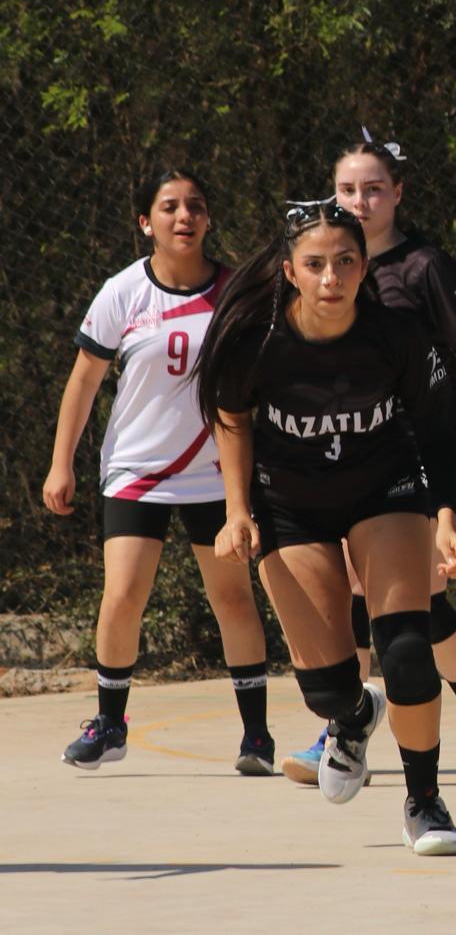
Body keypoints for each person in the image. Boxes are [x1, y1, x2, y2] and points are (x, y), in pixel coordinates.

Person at [195, 200, 456, 856]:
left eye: (344, 261)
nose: (330, 276)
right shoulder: (254, 340)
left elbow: (444, 427)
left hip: (386, 489)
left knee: (404, 649)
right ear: (290, 270)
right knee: (326, 686)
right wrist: (237, 510)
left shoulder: (395, 334)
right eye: (314, 263)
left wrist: (449, 517)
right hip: (290, 505)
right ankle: (351, 716)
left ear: (363, 264)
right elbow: (231, 419)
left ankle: (424, 799)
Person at [281, 133, 456, 785]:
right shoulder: (319, 266)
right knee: (362, 597)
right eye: (348, 189)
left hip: (426, 448)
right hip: (355, 449)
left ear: (398, 194)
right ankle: (344, 725)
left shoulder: (424, 268)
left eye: (374, 188)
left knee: (423, 596)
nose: (360, 200)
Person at [43, 170, 275, 774]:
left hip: (212, 470)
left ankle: (256, 737)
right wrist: (60, 462)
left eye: (195, 206)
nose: (184, 216)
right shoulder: (122, 292)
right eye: (169, 207)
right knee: (121, 597)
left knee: (232, 597)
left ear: (208, 219)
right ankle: (110, 723)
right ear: (146, 222)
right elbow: (85, 380)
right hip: (137, 468)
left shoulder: (233, 291)